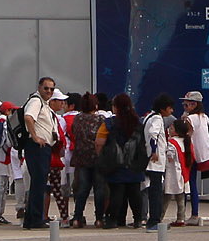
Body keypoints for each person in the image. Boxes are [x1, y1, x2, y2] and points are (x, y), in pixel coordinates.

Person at [102, 94, 148, 228]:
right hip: (135, 162)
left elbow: (99, 141)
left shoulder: (110, 123)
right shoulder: (138, 123)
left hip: (116, 162)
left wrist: (103, 157)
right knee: (134, 192)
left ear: (116, 107)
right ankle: (138, 219)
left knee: (117, 192)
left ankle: (113, 219)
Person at [20, 76, 60, 229]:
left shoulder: (44, 104)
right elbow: (28, 118)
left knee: (39, 183)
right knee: (38, 183)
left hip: (43, 147)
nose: (49, 91)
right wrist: (36, 137)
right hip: (37, 147)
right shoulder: (36, 102)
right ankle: (35, 219)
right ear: (39, 88)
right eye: (46, 88)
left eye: (51, 89)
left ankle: (31, 218)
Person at [69, 91, 104, 228]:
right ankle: (99, 218)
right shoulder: (100, 119)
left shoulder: (77, 119)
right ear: (95, 105)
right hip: (97, 157)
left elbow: (73, 132)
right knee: (99, 189)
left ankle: (77, 217)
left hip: (81, 158)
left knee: (82, 188)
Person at [181, 92, 209, 226]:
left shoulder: (191, 119)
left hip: (191, 154)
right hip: (203, 155)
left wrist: (183, 119)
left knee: (188, 183)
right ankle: (193, 213)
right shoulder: (204, 117)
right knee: (192, 184)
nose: (184, 106)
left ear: (194, 104)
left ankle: (190, 214)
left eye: (187, 103)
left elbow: (185, 133)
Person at [0, 104, 23, 225]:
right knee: (2, 188)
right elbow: (8, 142)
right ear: (7, 111)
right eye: (12, 110)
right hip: (3, 159)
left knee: (0, 187)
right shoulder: (5, 124)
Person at [143, 93, 173, 228]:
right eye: (170, 108)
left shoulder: (148, 117)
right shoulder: (157, 119)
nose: (171, 111)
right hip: (155, 161)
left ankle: (154, 219)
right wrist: (154, 151)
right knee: (156, 192)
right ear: (163, 108)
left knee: (153, 190)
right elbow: (152, 134)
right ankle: (154, 220)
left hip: (150, 160)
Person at [46, 88, 73, 224]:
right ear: (52, 101)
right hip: (52, 156)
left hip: (53, 156)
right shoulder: (53, 117)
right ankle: (63, 216)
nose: (62, 104)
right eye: (60, 101)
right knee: (53, 188)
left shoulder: (58, 118)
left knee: (51, 188)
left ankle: (46, 216)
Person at [165, 116, 192, 226]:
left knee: (166, 196)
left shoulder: (172, 142)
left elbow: (169, 155)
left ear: (176, 131)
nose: (169, 130)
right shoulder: (185, 141)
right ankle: (181, 218)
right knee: (180, 197)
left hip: (172, 172)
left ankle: (160, 216)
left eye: (171, 128)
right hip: (183, 171)